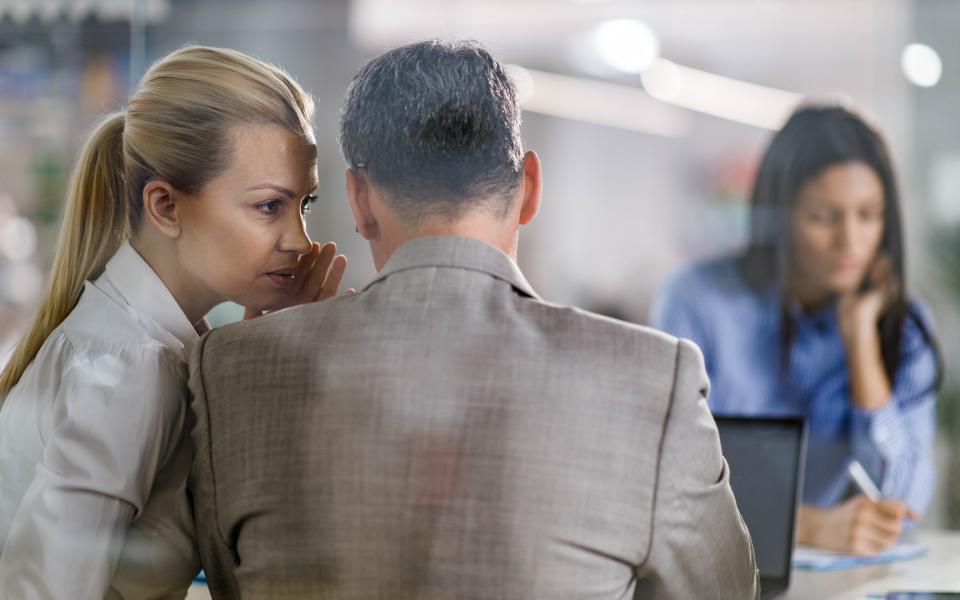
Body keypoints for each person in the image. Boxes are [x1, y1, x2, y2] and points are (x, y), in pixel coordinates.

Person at [187, 39, 759, 600]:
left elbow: (227, 582)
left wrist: (273, 341)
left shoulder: (231, 368)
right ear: (530, 188)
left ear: (359, 200)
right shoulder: (655, 379)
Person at [0, 45, 346, 598]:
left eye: (304, 205)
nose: (300, 241)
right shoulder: (132, 370)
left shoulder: (147, 342)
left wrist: (253, 364)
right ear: (164, 206)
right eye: (268, 206)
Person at [652, 104, 942, 556]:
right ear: (779, 216)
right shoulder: (699, 300)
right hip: (728, 572)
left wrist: (861, 340)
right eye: (825, 217)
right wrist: (806, 526)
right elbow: (667, 477)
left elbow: (902, 502)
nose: (851, 242)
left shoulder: (904, 325)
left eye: (868, 215)